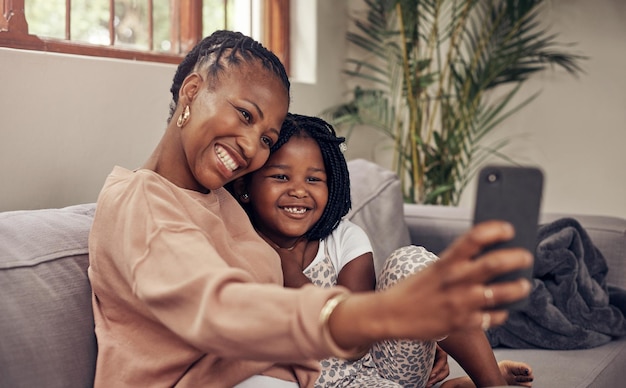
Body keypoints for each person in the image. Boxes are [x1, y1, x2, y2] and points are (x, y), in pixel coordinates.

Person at [87, 30, 533, 388]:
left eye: (265, 138)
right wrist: (382, 314)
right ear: (192, 90)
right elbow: (220, 308)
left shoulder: (221, 200)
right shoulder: (141, 201)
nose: (250, 147)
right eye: (245, 115)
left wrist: (414, 333)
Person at [230, 112, 534, 388]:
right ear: (245, 186)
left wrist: (290, 270)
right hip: (309, 380)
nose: (299, 190)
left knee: (411, 262)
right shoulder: (235, 245)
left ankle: (492, 382)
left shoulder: (344, 238)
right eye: (281, 176)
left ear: (331, 186)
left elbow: (352, 337)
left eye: (314, 179)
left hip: (378, 366)